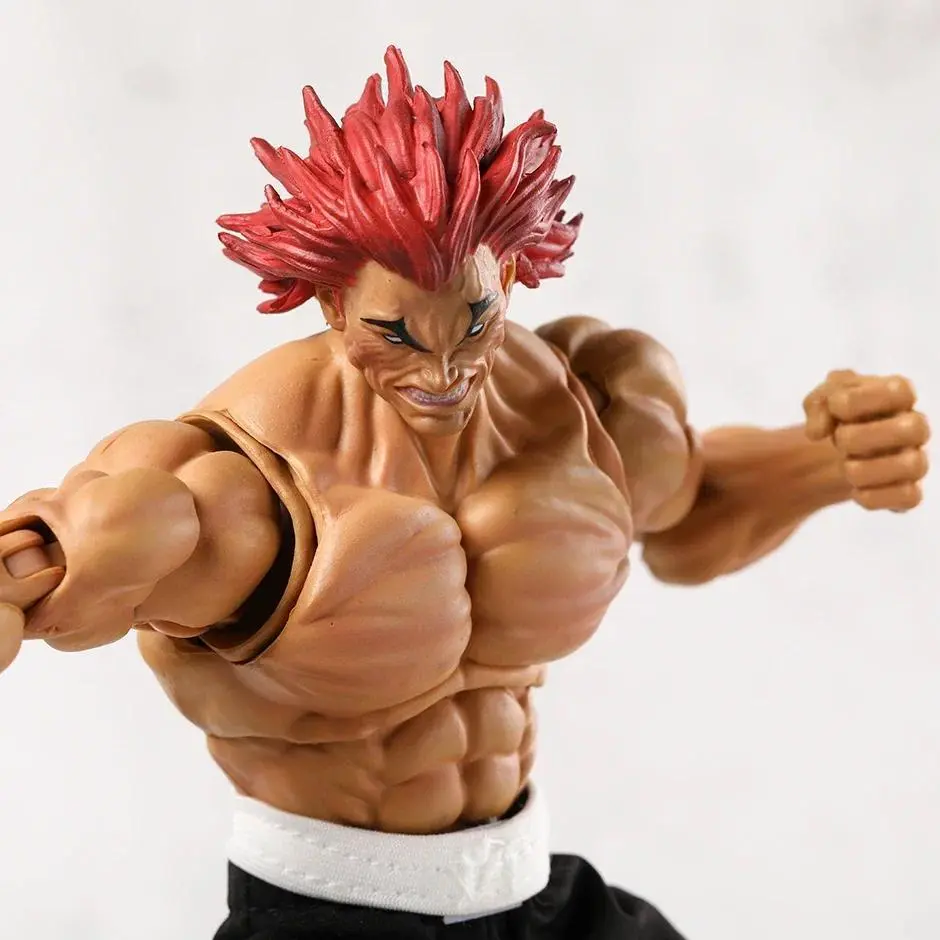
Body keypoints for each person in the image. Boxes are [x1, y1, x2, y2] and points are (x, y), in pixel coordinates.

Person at [0, 46, 930, 940]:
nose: (444, 371)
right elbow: (109, 526)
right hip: (328, 911)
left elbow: (690, 514)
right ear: (333, 304)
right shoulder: (245, 475)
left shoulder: (581, 401)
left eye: (475, 321)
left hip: (529, 892)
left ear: (510, 276)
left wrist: (827, 463)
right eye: (397, 335)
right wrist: (41, 566)